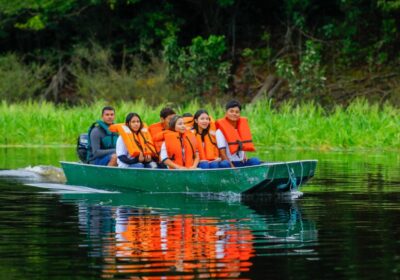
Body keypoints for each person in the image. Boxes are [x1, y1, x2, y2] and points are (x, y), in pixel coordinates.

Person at [216, 100, 261, 167]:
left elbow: (242, 144)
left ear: (240, 114)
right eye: (231, 111)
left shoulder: (241, 128)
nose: (234, 114)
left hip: (241, 161)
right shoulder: (220, 131)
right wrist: (232, 167)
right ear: (226, 113)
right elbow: (222, 153)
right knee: (224, 164)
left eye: (237, 112)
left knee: (255, 160)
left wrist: (244, 155)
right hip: (229, 163)